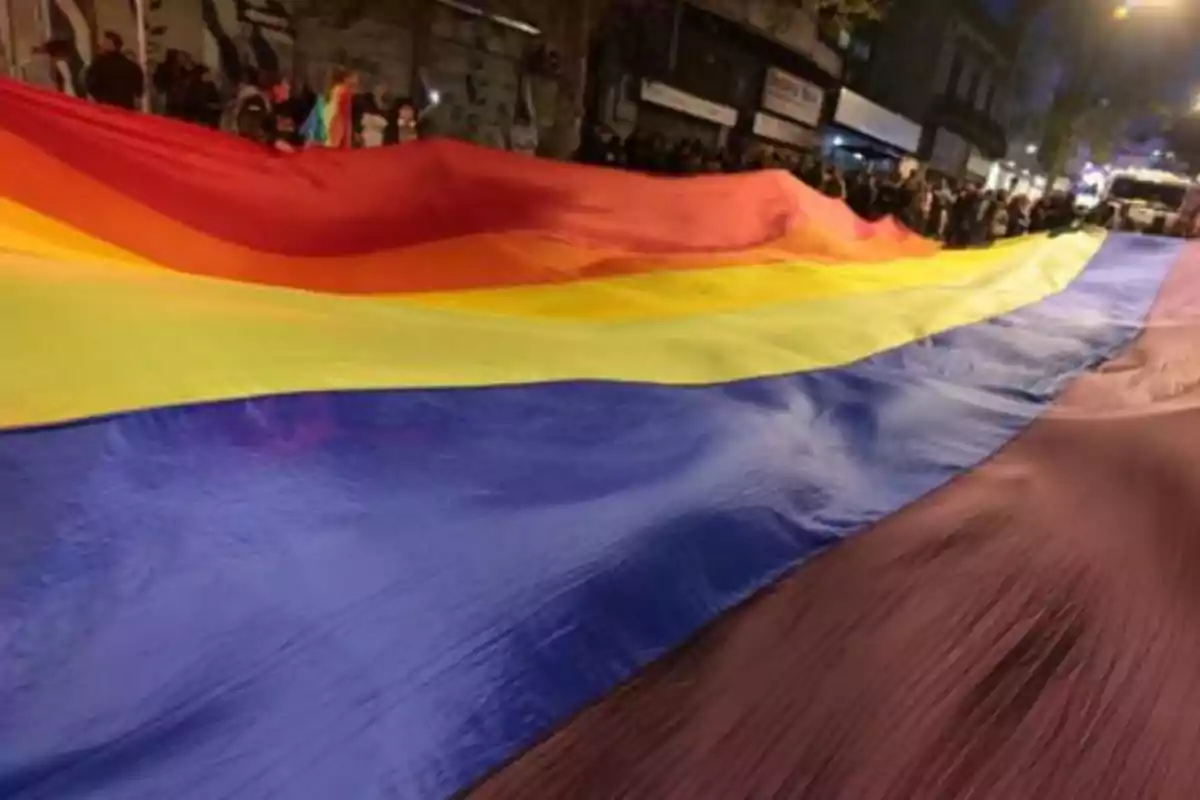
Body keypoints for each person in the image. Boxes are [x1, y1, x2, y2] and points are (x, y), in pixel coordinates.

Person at [85, 31, 144, 110]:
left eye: (103, 42)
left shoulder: (99, 64)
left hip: (106, 108)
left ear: (111, 44)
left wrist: (100, 99)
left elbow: (90, 84)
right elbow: (138, 91)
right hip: (127, 109)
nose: (100, 45)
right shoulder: (131, 66)